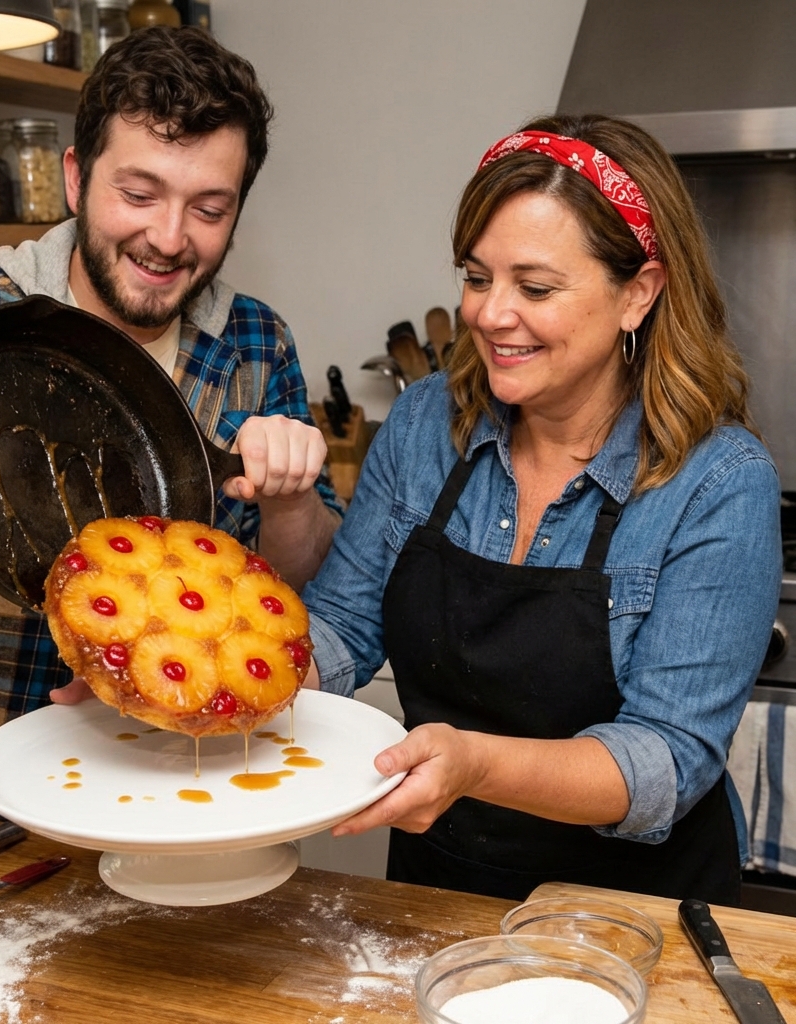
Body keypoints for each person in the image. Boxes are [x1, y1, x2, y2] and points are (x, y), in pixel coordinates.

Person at [0, 27, 341, 814]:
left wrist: (289, 495)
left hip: (177, 799)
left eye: (209, 207)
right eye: (139, 194)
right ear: (76, 179)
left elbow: (295, 576)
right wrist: (16, 511)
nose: (169, 238)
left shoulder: (254, 341)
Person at [302, 114, 781, 906]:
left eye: (535, 287)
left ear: (638, 294)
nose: (490, 314)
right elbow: (341, 628)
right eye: (477, 276)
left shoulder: (719, 482)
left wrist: (476, 765)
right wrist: (207, 684)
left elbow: (666, 758)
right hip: (438, 895)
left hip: (635, 916)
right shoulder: (427, 423)